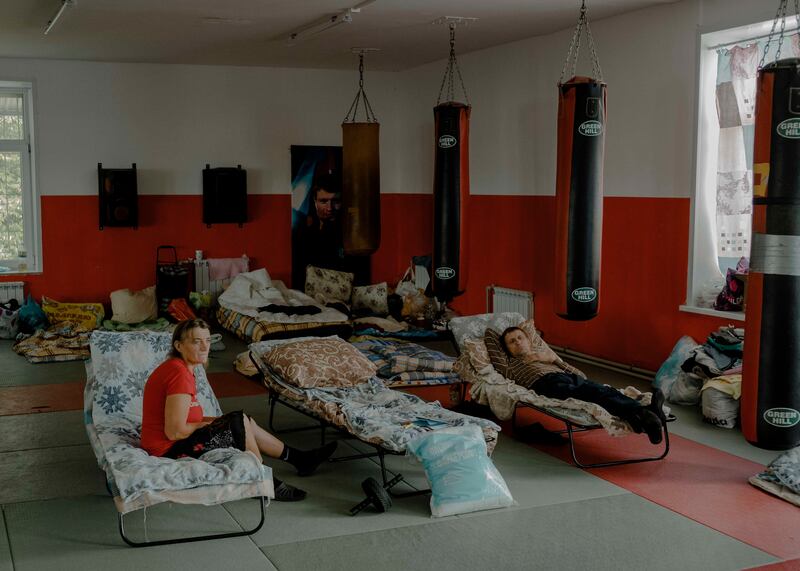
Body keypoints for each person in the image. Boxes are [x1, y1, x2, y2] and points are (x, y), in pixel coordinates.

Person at [141, 318, 338, 501]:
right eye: (196, 341)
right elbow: (174, 431)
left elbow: (188, 417)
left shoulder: (181, 368)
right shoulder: (178, 373)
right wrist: (208, 423)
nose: (204, 347)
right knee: (237, 421)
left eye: (207, 340)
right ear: (179, 345)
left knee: (241, 419)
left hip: (174, 442)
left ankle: (300, 459)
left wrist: (213, 421)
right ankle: (261, 482)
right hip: (167, 450)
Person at [497, 326, 666, 444]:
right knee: (595, 394)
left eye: (520, 338)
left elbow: (580, 375)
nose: (518, 342)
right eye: (512, 342)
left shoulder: (545, 356)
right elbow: (491, 341)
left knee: (603, 390)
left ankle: (643, 416)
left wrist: (554, 360)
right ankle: (647, 414)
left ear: (528, 340)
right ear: (507, 349)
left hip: (566, 377)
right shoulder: (510, 364)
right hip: (545, 384)